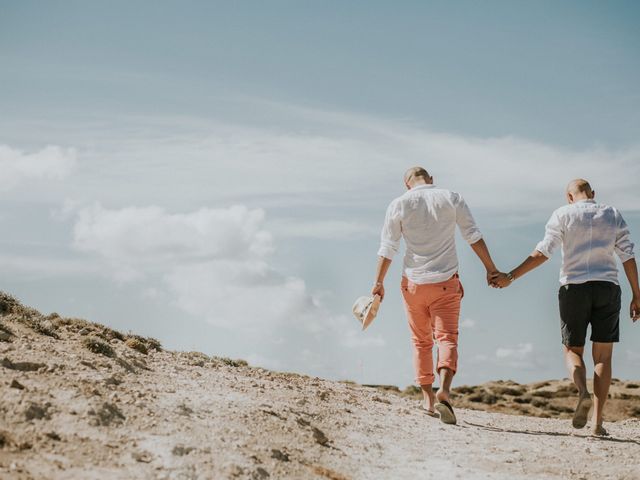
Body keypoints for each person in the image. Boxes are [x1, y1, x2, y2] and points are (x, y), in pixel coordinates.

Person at [491, 179, 639, 436]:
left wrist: (511, 276)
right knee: (603, 357)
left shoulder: (563, 214)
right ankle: (597, 423)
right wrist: (637, 295)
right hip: (607, 287)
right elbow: (627, 255)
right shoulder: (612, 213)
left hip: (574, 288)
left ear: (569, 197)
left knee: (572, 350)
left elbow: (543, 252)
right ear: (593, 194)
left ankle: (582, 391)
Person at [372, 167, 498, 425]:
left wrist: (378, 282)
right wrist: (491, 269)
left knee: (421, 342)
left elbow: (388, 247)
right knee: (447, 338)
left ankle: (428, 399)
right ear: (431, 180)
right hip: (445, 282)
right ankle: (445, 390)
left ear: (407, 185)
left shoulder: (399, 204)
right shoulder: (451, 197)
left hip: (414, 285)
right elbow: (473, 236)